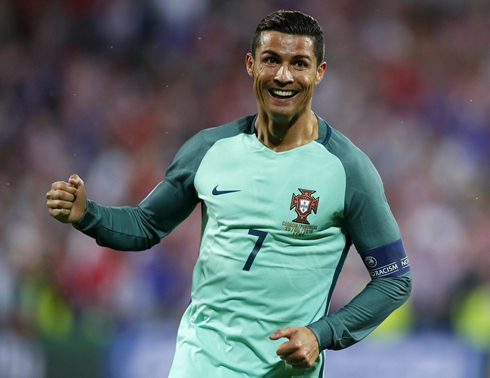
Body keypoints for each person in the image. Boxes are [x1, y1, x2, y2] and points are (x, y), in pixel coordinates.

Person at [46, 10, 411, 377]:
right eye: (272, 60)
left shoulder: (348, 169)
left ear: (319, 73)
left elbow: (395, 280)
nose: (284, 76)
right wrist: (86, 214)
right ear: (251, 65)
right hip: (200, 364)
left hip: (283, 372)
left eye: (299, 63)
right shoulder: (209, 149)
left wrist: (322, 333)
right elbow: (145, 225)